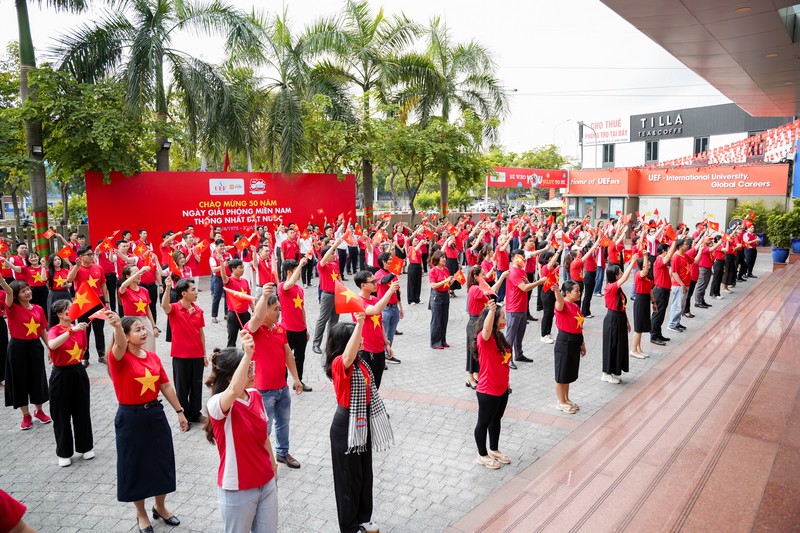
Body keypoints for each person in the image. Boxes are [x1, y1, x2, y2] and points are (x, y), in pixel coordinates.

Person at [106, 311, 188, 533]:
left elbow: (165, 385)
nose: (144, 332)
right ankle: (141, 513)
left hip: (155, 415)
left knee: (162, 462)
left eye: (144, 328)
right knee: (135, 467)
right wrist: (117, 326)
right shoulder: (118, 358)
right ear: (125, 336)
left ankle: (160, 506)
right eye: (138, 330)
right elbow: (119, 344)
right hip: (130, 419)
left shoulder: (153, 357)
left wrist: (179, 411)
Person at [324, 317, 393, 533]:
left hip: (363, 422)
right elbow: (347, 356)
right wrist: (361, 323)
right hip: (346, 426)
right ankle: (349, 527)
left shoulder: (360, 362)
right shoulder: (339, 364)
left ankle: (364, 518)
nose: (362, 340)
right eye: (357, 337)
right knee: (348, 479)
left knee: (364, 474)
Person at [205, 333, 279, 533]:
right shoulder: (217, 404)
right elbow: (232, 391)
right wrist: (246, 356)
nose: (253, 373)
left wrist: (273, 466)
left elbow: (263, 437)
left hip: (265, 482)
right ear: (231, 377)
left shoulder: (255, 395)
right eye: (248, 369)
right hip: (237, 489)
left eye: (252, 367)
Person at [245, 291, 304, 469]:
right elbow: (256, 319)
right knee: (265, 428)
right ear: (264, 309)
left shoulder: (280, 328)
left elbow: (288, 354)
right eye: (275, 309)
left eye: (279, 308)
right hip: (263, 391)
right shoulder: (252, 330)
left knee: (283, 424)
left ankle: (282, 453)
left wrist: (296, 378)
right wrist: (264, 297)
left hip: (282, 387)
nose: (279, 312)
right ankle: (261, 459)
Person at [47, 299, 94, 467]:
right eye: (68, 308)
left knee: (82, 410)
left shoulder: (80, 328)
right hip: (60, 374)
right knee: (61, 414)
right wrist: (71, 331)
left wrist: (76, 329)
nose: (73, 310)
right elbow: (52, 344)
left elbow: (83, 349)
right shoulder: (54, 330)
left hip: (78, 371)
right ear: (60, 314)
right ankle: (64, 452)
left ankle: (85, 446)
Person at [2, 279, 51, 430]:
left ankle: (39, 411)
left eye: (28, 289)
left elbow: (43, 330)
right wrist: (1, 280)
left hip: (35, 347)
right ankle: (26, 415)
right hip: (17, 348)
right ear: (16, 295)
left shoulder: (38, 309)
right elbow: (8, 291)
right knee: (20, 381)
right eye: (23, 291)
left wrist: (50, 348)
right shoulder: (12, 308)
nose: (28, 292)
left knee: (38, 378)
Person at [472, 300, 512, 469]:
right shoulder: (484, 338)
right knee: (483, 423)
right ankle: (482, 455)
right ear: (493, 320)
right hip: (488, 390)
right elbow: (486, 330)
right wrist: (491, 311)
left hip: (502, 388)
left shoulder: (499, 336)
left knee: (496, 420)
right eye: (502, 317)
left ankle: (494, 450)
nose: (505, 319)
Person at [163, 278, 207, 426]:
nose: (196, 292)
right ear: (183, 293)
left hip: (197, 355)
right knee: (182, 388)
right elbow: (164, 305)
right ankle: (184, 416)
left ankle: (195, 413)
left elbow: (201, 334)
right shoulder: (174, 309)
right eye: (193, 290)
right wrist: (167, 288)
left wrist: (204, 354)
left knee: (196, 386)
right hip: (180, 356)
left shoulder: (198, 310)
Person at [352, 270, 400, 389]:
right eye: (373, 281)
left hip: (379, 350)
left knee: (376, 386)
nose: (376, 283)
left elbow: (379, 323)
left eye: (376, 280)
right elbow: (374, 310)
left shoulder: (375, 299)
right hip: (365, 351)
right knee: (366, 387)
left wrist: (386, 343)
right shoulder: (357, 301)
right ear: (363, 285)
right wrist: (390, 291)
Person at [465, 266, 508, 389]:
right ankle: (469, 378)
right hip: (474, 322)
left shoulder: (479, 287)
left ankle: (476, 374)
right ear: (475, 276)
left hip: (480, 321)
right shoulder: (474, 288)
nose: (484, 276)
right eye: (482, 274)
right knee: (471, 351)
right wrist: (502, 277)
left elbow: (491, 291)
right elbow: (491, 290)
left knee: (478, 350)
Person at [66, 245, 110, 365]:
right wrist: (77, 266)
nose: (91, 256)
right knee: (84, 330)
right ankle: (85, 357)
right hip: (83, 303)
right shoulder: (76, 268)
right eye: (88, 255)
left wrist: (106, 302)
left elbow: (103, 285)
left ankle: (102, 355)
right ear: (80, 257)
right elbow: (69, 279)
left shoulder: (98, 267)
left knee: (99, 330)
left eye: (92, 254)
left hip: (98, 301)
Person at [504, 249, 545, 369]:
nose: (523, 259)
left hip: (522, 307)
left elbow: (526, 285)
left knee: (520, 334)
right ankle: (507, 358)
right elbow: (524, 288)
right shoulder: (513, 272)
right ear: (514, 258)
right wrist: (539, 282)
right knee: (510, 335)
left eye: (523, 257)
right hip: (514, 308)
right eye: (521, 257)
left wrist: (529, 282)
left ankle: (519, 354)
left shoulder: (522, 271)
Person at [278, 258, 312, 392]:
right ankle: (282, 382)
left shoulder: (299, 289)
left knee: (300, 357)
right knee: (284, 358)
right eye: (297, 270)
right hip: (288, 329)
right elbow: (290, 283)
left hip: (300, 329)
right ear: (289, 272)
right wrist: (301, 264)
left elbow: (302, 309)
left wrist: (305, 327)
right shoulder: (282, 287)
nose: (300, 273)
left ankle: (299, 381)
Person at [602, 257, 637, 384]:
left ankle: (613, 371)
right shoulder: (610, 287)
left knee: (618, 346)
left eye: (622, 272)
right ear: (615, 276)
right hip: (612, 319)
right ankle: (606, 373)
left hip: (620, 317)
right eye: (620, 273)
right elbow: (625, 278)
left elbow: (621, 306)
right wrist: (632, 262)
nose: (621, 274)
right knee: (611, 346)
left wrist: (627, 321)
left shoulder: (618, 289)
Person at [552, 280, 586, 414]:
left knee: (568, 373)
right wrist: (557, 291)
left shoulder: (575, 306)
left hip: (575, 341)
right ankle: (560, 402)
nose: (579, 293)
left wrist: (582, 343)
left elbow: (579, 327)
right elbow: (559, 301)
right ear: (567, 293)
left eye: (579, 291)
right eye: (576, 291)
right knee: (561, 374)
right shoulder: (562, 305)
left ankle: (566, 399)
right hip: (564, 342)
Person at [118, 265, 160, 353]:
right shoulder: (125, 290)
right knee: (133, 350)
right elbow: (123, 285)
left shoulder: (144, 290)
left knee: (149, 349)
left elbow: (147, 309)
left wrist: (154, 326)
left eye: (140, 272)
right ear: (128, 276)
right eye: (135, 273)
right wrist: (140, 271)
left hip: (144, 321)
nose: (139, 275)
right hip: (130, 322)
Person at [312, 237, 344, 355]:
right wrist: (334, 245)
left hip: (337, 295)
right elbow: (324, 259)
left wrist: (343, 289)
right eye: (332, 253)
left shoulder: (335, 264)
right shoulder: (322, 266)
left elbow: (339, 278)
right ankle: (316, 344)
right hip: (327, 295)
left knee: (334, 321)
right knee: (323, 319)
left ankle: (331, 343)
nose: (334, 255)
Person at [374, 253, 403, 364]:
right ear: (383, 261)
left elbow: (397, 292)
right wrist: (394, 271)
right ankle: (380, 357)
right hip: (385, 308)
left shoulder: (393, 274)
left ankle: (388, 354)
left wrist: (401, 307)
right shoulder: (378, 274)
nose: (392, 261)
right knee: (382, 334)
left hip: (394, 307)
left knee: (390, 334)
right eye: (390, 259)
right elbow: (385, 280)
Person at [221, 258, 253, 347]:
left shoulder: (245, 281)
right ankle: (231, 354)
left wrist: (254, 310)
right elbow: (224, 277)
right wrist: (221, 263)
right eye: (240, 267)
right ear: (233, 269)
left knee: (247, 338)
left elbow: (248, 298)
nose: (243, 270)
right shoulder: (230, 281)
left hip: (245, 314)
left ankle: (246, 354)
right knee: (232, 338)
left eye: (243, 267)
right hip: (234, 314)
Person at [650, 241, 677, 346]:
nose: (669, 253)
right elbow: (669, 256)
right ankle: (653, 336)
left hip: (664, 290)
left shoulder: (663, 262)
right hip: (660, 291)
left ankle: (658, 334)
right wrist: (674, 242)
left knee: (661, 314)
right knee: (657, 314)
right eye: (667, 251)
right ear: (663, 251)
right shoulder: (659, 260)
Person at [632, 255, 658, 353]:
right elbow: (645, 270)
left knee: (641, 327)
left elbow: (650, 290)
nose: (649, 265)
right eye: (648, 263)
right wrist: (646, 256)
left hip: (646, 300)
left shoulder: (647, 276)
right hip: (640, 300)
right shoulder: (639, 273)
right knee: (638, 328)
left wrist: (653, 302)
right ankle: (633, 350)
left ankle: (638, 348)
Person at [428, 250, 454, 350]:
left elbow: (447, 284)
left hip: (445, 295)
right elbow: (433, 285)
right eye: (442, 257)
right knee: (436, 320)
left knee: (444, 319)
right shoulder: (433, 271)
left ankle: (443, 340)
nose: (444, 259)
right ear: (437, 259)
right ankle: (435, 342)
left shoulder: (445, 269)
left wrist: (451, 281)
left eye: (444, 257)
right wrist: (445, 280)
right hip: (437, 296)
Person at [667, 239, 691, 334]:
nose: (687, 245)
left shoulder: (684, 255)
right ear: (680, 246)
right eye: (685, 244)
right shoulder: (675, 257)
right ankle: (672, 324)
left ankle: (677, 322)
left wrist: (700, 249)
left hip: (684, 284)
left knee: (681, 305)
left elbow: (695, 261)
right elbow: (674, 272)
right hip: (679, 285)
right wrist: (682, 284)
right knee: (677, 305)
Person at [539, 248, 563, 344]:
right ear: (548, 259)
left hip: (552, 292)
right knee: (547, 314)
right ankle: (543, 334)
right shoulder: (546, 267)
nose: (553, 258)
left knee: (550, 314)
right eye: (551, 257)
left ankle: (548, 332)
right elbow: (553, 262)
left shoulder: (552, 267)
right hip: (547, 293)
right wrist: (558, 251)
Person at [46, 253, 72, 327]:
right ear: (51, 262)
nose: (58, 261)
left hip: (65, 293)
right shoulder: (49, 271)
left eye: (59, 259)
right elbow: (44, 279)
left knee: (68, 311)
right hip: (54, 294)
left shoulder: (65, 270)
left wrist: (67, 285)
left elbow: (70, 283)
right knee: (54, 314)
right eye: (55, 260)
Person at [406, 236, 424, 305]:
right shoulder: (410, 247)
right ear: (412, 242)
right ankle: (411, 299)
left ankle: (417, 298)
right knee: (412, 283)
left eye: (417, 240)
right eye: (415, 240)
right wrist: (420, 243)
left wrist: (422, 268)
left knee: (418, 283)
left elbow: (420, 259)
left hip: (418, 266)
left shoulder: (419, 248)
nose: (417, 241)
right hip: (412, 266)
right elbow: (415, 250)